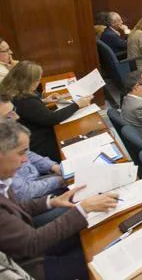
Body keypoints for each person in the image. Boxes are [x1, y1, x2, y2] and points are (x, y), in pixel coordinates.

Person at [0, 121, 119, 280]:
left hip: (33, 251)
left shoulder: (4, 181)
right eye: (21, 153)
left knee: (95, 234)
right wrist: (82, 209)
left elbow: (16, 208)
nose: (25, 160)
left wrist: (50, 202)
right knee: (102, 257)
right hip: (33, 267)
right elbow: (32, 244)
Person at [0, 61, 93, 162]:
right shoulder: (26, 100)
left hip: (33, 135)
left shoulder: (13, 91)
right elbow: (51, 119)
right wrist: (77, 105)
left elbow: (29, 110)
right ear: (30, 81)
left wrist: (44, 100)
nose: (39, 82)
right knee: (79, 135)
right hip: (41, 143)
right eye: (38, 79)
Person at [0, 96, 64, 201]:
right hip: (29, 200)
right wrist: (59, 181)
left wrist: (53, 166)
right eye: (8, 116)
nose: (17, 117)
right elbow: (23, 193)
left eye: (14, 111)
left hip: (36, 182)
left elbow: (28, 154)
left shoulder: (8, 134)